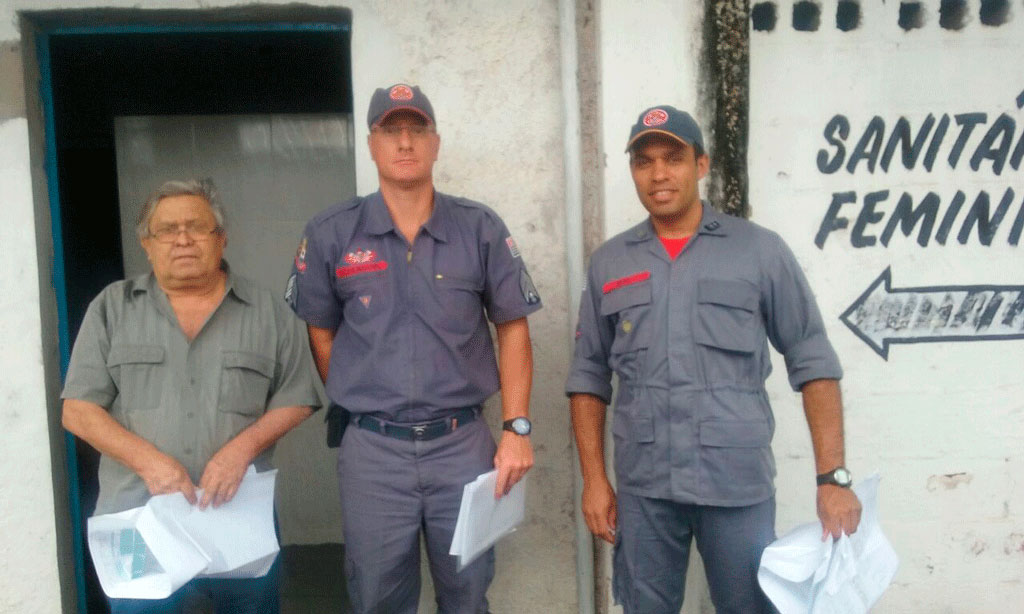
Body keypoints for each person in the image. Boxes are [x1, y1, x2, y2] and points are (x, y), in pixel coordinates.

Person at [566, 106, 863, 614]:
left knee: (749, 606)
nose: (659, 174)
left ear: (701, 165)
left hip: (735, 485)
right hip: (646, 490)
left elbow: (813, 362)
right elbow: (588, 377)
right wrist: (594, 480)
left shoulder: (759, 252)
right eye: (644, 161)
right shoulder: (610, 263)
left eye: (673, 158)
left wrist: (832, 478)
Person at [285, 83, 542, 614]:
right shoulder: (333, 233)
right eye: (390, 130)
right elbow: (321, 328)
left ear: (436, 142)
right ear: (372, 144)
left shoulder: (479, 228)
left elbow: (512, 327)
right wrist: (363, 395)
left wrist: (516, 428)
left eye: (416, 129)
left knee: (468, 594)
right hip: (373, 453)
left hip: (462, 445)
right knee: (377, 597)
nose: (405, 142)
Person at [61, 179, 320, 614]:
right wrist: (150, 462)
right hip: (136, 517)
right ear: (147, 243)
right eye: (167, 229)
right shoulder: (111, 308)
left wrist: (241, 450)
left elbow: (298, 397)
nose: (182, 239)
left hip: (238, 515)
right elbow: (78, 411)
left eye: (197, 227)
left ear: (221, 238)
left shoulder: (268, 311)